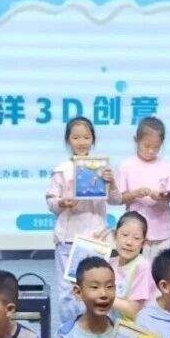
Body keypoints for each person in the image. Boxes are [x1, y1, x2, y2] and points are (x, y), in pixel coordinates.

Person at [47, 116, 122, 324]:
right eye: (76, 137)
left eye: (86, 137)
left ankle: (97, 328)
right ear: (68, 140)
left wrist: (112, 183)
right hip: (69, 239)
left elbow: (116, 200)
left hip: (96, 238)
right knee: (68, 290)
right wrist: (63, 202)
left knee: (98, 286)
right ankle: (69, 332)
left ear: (93, 140)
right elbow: (51, 202)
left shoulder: (102, 168)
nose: (81, 142)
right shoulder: (61, 169)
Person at [117, 116, 170, 262]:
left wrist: (163, 197)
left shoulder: (167, 166)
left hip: (162, 229)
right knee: (135, 270)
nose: (151, 151)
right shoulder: (126, 165)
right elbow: (119, 199)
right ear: (136, 140)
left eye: (156, 147)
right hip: (134, 232)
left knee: (161, 270)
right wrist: (135, 193)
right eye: (146, 146)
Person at [110, 211, 155, 321]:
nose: (129, 242)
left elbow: (133, 310)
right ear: (115, 235)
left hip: (133, 327)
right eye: (125, 235)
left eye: (136, 238)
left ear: (143, 243)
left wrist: (101, 297)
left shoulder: (143, 267)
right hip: (112, 322)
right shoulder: (110, 263)